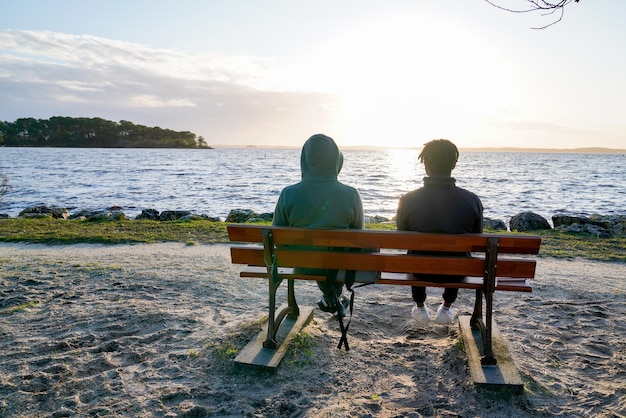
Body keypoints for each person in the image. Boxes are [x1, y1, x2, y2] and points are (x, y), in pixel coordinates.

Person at [273, 133, 364, 315]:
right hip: (337, 265)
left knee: (320, 255)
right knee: (336, 254)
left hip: (300, 262)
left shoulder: (288, 194)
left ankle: (331, 299)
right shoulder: (350, 194)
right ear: (336, 160)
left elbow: (278, 239)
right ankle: (332, 298)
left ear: (304, 161)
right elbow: (359, 238)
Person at [396, 139, 483, 325]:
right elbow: (477, 239)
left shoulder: (408, 200)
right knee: (460, 256)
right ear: (453, 164)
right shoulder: (471, 200)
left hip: (419, 271)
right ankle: (445, 309)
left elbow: (402, 238)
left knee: (414, 252)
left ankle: (420, 308)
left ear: (425, 163)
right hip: (456, 272)